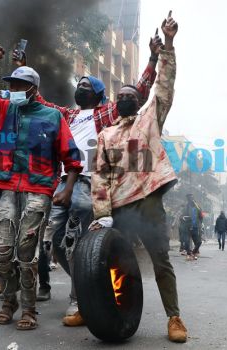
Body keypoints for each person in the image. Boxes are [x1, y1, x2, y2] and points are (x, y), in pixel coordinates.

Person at [12, 35, 161, 325]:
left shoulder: (107, 112)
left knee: (80, 240)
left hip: (91, 182)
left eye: (85, 86)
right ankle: (88, 280)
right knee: (55, 241)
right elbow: (40, 101)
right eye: (78, 85)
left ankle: (78, 299)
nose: (79, 88)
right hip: (62, 181)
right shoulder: (68, 115)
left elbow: (140, 90)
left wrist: (153, 59)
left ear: (97, 94)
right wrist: (24, 68)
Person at [0, 43, 82, 331]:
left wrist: (67, 189)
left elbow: (72, 157)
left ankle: (29, 309)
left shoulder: (52, 116)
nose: (13, 88)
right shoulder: (0, 110)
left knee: (26, 253)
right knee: (2, 251)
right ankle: (8, 300)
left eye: (19, 85)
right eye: (11, 84)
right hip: (6, 188)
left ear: (32, 89)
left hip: (38, 190)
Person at [89, 12, 186, 343]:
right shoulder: (106, 136)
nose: (127, 97)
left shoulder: (150, 120)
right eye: (122, 95)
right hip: (117, 208)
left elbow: (165, 83)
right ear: (116, 103)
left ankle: (174, 318)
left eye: (132, 94)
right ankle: (90, 307)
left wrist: (168, 45)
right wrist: (102, 216)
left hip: (147, 202)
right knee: (101, 259)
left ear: (138, 101)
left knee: (161, 261)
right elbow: (99, 176)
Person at [182, 194, 203, 260]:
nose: (191, 199)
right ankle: (188, 254)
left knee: (199, 242)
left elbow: (201, 216)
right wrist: (184, 218)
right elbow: (181, 217)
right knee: (187, 242)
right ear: (188, 199)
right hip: (187, 227)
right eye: (190, 198)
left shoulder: (197, 207)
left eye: (192, 198)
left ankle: (193, 252)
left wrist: (199, 224)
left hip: (195, 227)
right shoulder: (185, 207)